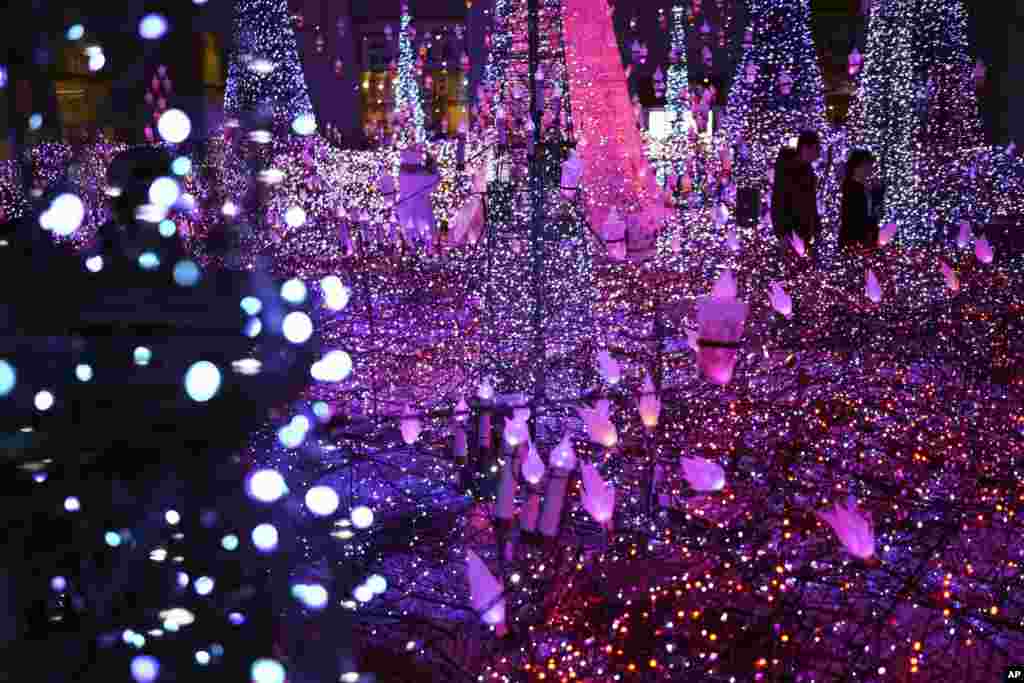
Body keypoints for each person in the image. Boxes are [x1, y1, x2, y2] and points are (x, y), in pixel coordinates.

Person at [774, 131, 823, 254]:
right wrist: (782, 233)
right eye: (816, 149)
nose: (818, 155)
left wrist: (816, 228)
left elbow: (811, 203)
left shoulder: (808, 171)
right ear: (805, 148)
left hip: (805, 231)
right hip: (791, 232)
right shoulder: (787, 169)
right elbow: (779, 201)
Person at [839, 149, 881, 251]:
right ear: (859, 166)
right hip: (855, 241)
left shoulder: (863, 187)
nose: (871, 169)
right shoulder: (851, 188)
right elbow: (854, 217)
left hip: (863, 240)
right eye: (869, 165)